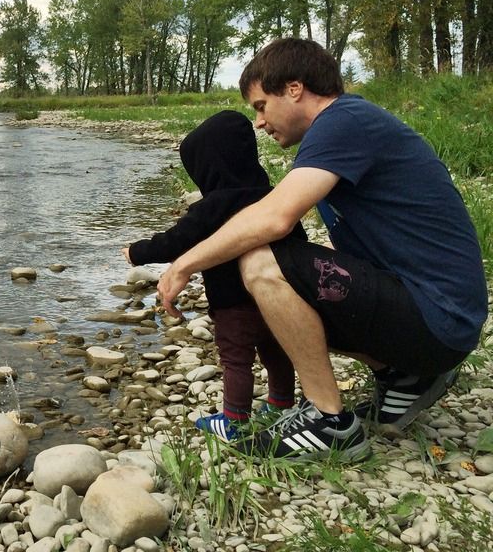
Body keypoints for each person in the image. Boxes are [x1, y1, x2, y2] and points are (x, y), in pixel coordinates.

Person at [156, 37, 488, 462]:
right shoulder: (345, 127)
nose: (259, 122)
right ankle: (404, 377)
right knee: (292, 287)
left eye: (260, 105)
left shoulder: (343, 121)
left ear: (294, 89)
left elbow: (274, 218)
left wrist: (184, 263)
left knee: (261, 261)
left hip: (439, 317)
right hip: (439, 316)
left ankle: (330, 423)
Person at [124, 110, 303, 441]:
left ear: (206, 168)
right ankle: (281, 402)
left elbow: (174, 242)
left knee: (236, 359)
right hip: (280, 296)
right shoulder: (273, 198)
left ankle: (235, 420)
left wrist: (137, 251)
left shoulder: (212, 206)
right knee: (276, 350)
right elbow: (299, 241)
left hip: (233, 304)